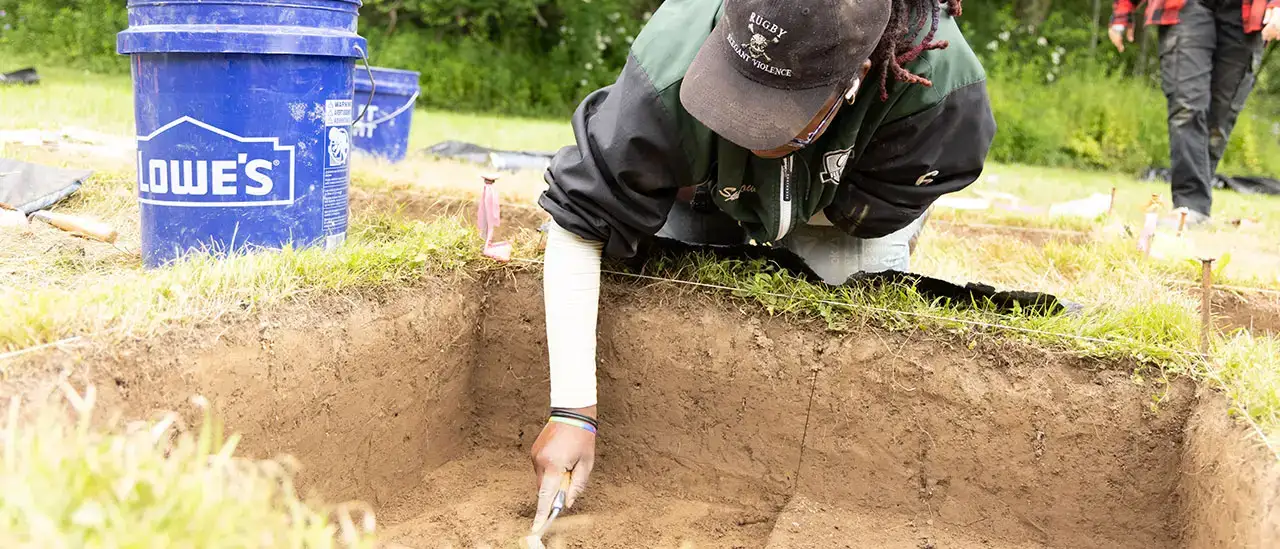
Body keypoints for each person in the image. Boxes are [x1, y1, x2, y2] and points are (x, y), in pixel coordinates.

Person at [528, 0, 996, 532]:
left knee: (849, 307)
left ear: (855, 78)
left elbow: (884, 202)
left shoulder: (939, 89)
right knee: (651, 253)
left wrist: (785, 203)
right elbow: (581, 217)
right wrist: (572, 411)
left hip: (837, 207)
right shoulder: (670, 60)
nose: (748, 123)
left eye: (773, 111)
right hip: (704, 188)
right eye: (736, 97)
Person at [1110, 0, 1280, 224]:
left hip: (1244, 11)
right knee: (1187, 106)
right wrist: (1123, 11)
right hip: (1185, 6)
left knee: (1220, 119)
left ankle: (1195, 207)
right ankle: (1190, 207)